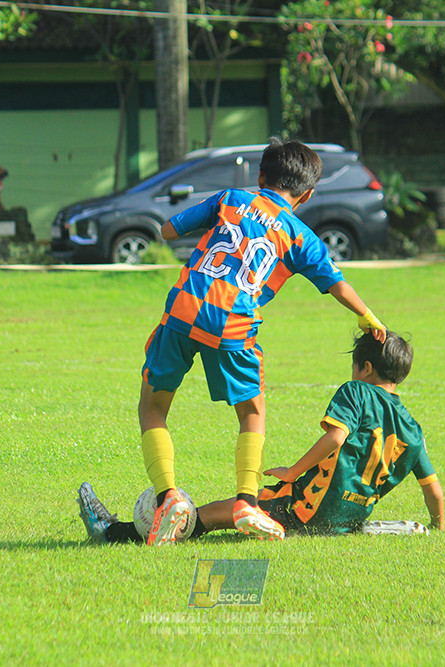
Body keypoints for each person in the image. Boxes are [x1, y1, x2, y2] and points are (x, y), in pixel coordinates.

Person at [137, 139, 387, 546]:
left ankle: (168, 498)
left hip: (184, 309)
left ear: (260, 177)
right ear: (306, 195)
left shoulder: (231, 199)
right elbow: (337, 285)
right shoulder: (301, 237)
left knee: (153, 407)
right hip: (233, 324)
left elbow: (167, 230)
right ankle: (245, 502)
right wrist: (368, 317)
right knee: (251, 415)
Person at [83, 330, 444, 544]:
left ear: (365, 368)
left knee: (213, 514)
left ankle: (114, 532)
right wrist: (438, 527)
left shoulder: (356, 391)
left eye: (355, 364)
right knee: (258, 511)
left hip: (306, 508)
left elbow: (336, 437)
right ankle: (360, 528)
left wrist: (292, 471)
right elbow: (433, 489)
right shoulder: (413, 428)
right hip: (346, 517)